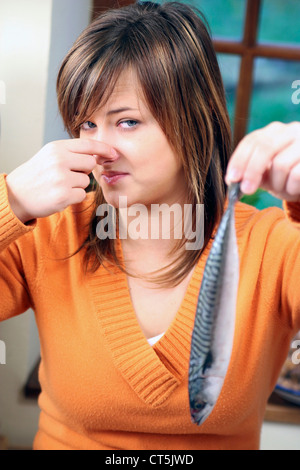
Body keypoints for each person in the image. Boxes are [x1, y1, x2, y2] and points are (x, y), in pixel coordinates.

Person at [0, 1, 299, 450]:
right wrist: (11, 202)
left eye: (127, 122)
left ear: (193, 121)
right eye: (85, 124)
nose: (100, 150)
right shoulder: (46, 230)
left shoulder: (271, 246)